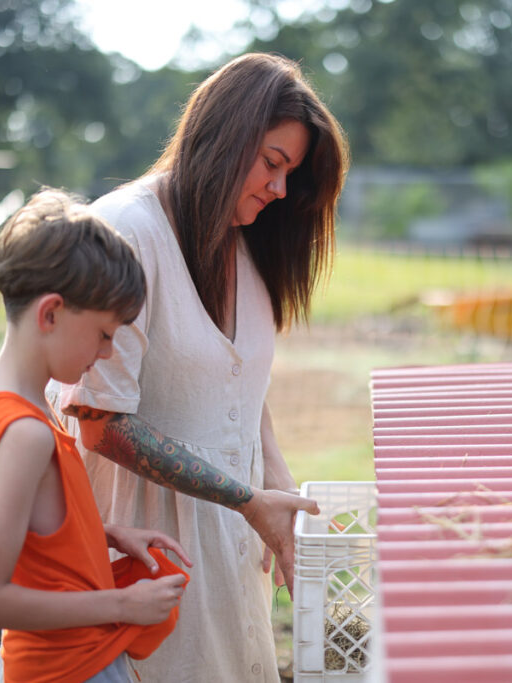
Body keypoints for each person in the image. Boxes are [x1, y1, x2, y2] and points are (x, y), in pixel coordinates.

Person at [53, 52, 349, 681]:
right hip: (144, 554)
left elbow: (239, 383)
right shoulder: (125, 232)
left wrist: (277, 487)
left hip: (230, 539)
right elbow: (99, 422)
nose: (279, 189)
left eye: (289, 174)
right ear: (224, 133)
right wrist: (247, 499)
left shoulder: (245, 243)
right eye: (272, 163)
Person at [0, 188, 194, 683]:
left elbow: (28, 537)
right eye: (105, 334)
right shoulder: (26, 435)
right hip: (68, 668)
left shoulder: (2, 399)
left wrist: (102, 534)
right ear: (51, 314)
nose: (107, 353)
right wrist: (123, 603)